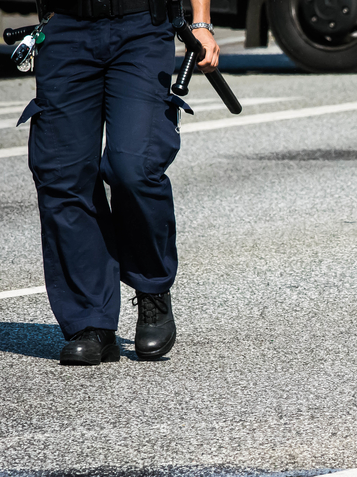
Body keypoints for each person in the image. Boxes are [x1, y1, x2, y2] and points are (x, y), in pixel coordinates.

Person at [17, 0, 219, 365]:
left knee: (134, 167)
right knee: (64, 176)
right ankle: (90, 321)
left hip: (141, 24)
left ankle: (152, 287)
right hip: (65, 26)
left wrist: (201, 22)